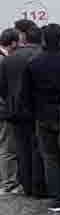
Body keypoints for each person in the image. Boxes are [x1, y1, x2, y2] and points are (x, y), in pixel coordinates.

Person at [19, 24, 60, 212]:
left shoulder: (33, 63)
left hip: (43, 116)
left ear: (43, 40)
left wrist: (35, 113)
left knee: (50, 158)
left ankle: (57, 198)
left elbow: (26, 94)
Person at [0, 23, 44, 198]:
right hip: (35, 110)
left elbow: (2, 87)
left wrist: (11, 100)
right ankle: (38, 184)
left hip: (14, 111)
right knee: (37, 148)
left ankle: (25, 184)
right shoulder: (37, 56)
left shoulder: (9, 59)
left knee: (20, 148)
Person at [0, 29, 20, 194]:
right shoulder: (2, 60)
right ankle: (9, 182)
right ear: (13, 43)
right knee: (8, 146)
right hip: (3, 109)